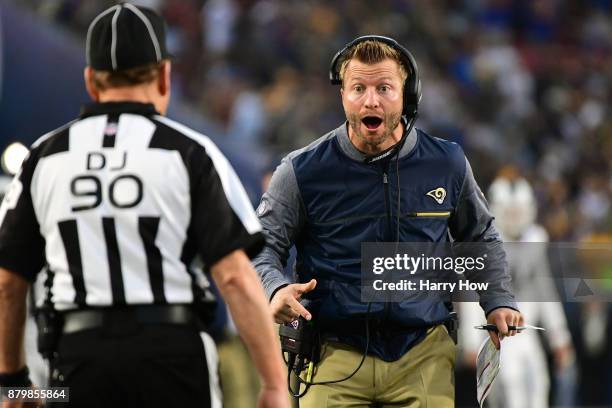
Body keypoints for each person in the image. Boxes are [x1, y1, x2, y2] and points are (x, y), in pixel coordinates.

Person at [0, 4, 287, 408]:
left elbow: (8, 283)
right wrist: (274, 384)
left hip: (76, 359)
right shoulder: (190, 153)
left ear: (91, 81)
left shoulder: (42, 158)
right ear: (165, 76)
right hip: (173, 356)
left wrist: (12, 381)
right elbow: (236, 278)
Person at [253, 35, 523, 407]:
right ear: (342, 95)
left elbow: (480, 235)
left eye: (384, 87)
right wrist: (274, 288)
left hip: (423, 355)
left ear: (408, 95)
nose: (371, 100)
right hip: (333, 354)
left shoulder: (446, 162)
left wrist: (497, 299)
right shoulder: (301, 170)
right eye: (358, 88)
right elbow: (260, 245)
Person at [460, 174, 575, 408]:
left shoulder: (536, 238)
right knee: (511, 393)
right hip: (496, 336)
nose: (515, 218)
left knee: (539, 391)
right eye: (510, 212)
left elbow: (544, 290)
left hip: (528, 335)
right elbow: (472, 292)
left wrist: (559, 336)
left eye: (519, 212)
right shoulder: (482, 242)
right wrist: (471, 341)